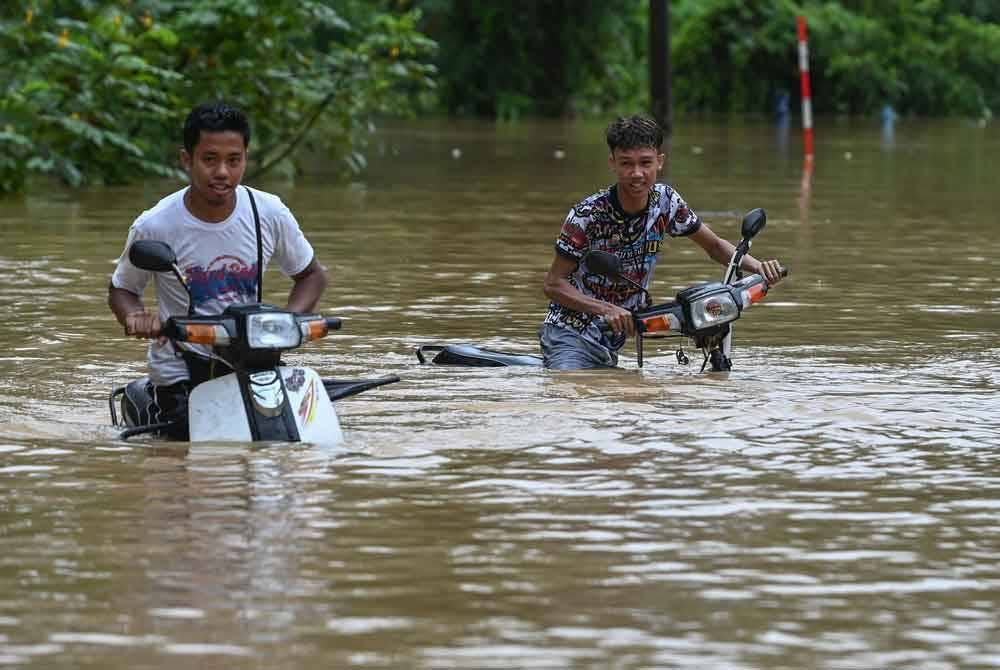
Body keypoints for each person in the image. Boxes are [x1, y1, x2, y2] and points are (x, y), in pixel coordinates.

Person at [108, 102, 328, 437]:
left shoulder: (268, 212)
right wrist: (134, 317)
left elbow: (311, 275)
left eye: (233, 160)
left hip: (254, 356)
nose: (222, 172)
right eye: (210, 159)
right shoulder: (155, 225)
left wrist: (285, 324)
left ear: (246, 158)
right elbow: (122, 288)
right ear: (187, 159)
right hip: (180, 363)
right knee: (184, 456)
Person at [540, 114, 784, 370]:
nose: (637, 173)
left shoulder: (666, 201)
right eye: (626, 164)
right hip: (569, 336)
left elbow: (713, 246)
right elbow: (553, 284)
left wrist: (759, 267)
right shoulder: (587, 215)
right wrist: (606, 309)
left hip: (614, 337)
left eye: (645, 163)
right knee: (572, 396)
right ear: (612, 163)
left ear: (660, 161)